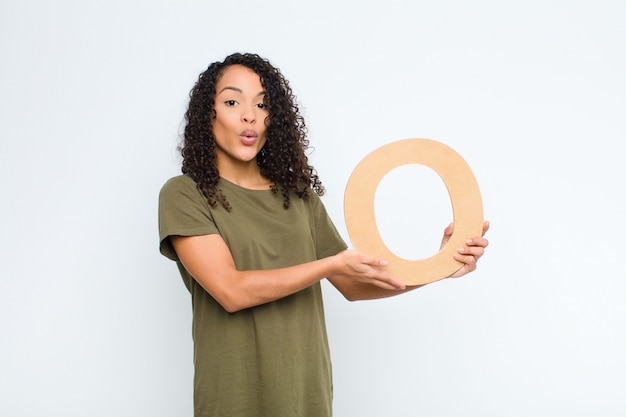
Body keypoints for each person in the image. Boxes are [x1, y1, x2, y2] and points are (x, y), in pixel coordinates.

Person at [158, 52, 489, 417]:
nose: (249, 115)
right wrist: (327, 264)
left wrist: (440, 265)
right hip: (235, 400)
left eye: (263, 103)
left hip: (307, 397)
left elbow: (352, 284)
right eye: (232, 101)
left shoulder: (298, 196)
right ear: (209, 113)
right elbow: (231, 291)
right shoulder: (185, 194)